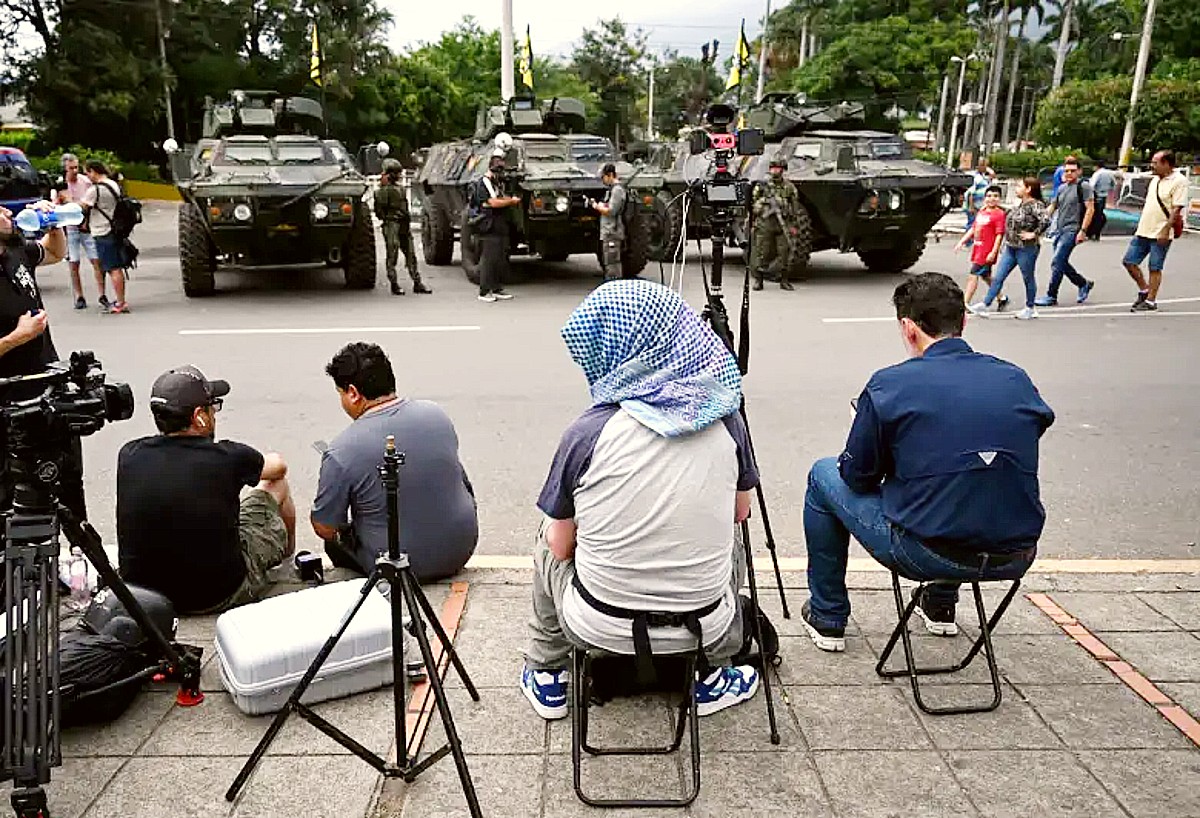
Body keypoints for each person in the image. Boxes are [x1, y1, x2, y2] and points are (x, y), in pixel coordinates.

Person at [521, 279, 761, 721]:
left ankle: (547, 670)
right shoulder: (726, 419)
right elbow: (740, 511)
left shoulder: (587, 434)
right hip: (703, 625)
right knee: (733, 537)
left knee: (547, 534)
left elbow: (561, 548)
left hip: (597, 625)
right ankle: (714, 671)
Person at [801, 273, 1054, 652]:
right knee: (966, 478)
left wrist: (873, 433)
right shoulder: (1015, 379)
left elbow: (856, 476)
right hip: (1016, 553)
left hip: (926, 553)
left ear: (908, 327)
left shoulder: (891, 385)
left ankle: (828, 615)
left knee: (823, 475)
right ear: (964, 320)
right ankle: (939, 605)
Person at [117, 366, 296, 614]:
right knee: (277, 485)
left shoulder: (129, 454)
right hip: (217, 595)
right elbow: (278, 467)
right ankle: (288, 560)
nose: (215, 414)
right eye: (213, 407)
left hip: (145, 597)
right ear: (199, 416)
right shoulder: (227, 457)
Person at [311, 342, 478, 580]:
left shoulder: (341, 450)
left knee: (334, 541)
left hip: (398, 566)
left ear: (353, 393)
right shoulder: (436, 414)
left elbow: (325, 527)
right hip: (459, 550)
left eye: (340, 394)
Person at [0, 200, 87, 520]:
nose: (9, 212)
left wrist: (54, 226)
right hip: (10, 407)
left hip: (50, 394)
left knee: (68, 482)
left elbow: (54, 252)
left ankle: (76, 542)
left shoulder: (14, 250)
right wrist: (16, 337)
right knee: (13, 497)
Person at [970, 177, 1052, 321]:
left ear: (1028, 189)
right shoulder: (1020, 203)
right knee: (999, 276)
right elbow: (1011, 214)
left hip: (1026, 248)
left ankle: (1030, 308)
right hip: (1011, 246)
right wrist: (991, 207)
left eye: (1020, 186)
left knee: (1028, 277)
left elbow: (1046, 220)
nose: (1016, 189)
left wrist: (1034, 234)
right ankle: (985, 304)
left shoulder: (1035, 205)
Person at [1124, 150, 1188, 313]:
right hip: (1144, 229)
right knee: (1129, 261)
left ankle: (1151, 301)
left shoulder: (1179, 181)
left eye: (1155, 162)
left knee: (1155, 266)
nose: (1152, 166)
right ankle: (1145, 290)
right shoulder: (1155, 180)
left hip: (1161, 232)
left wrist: (1166, 230)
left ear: (1166, 164)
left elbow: (1176, 208)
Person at [1035, 156, 1096, 307]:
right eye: (1066, 171)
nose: (1069, 173)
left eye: (1072, 171)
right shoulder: (1062, 188)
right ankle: (1083, 283)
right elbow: (1053, 206)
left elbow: (1090, 209)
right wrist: (1041, 220)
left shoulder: (1084, 186)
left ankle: (1051, 295)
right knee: (1060, 262)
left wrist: (1083, 231)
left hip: (1072, 229)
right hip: (1059, 230)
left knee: (1057, 262)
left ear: (1079, 171)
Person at [374, 159, 431, 297]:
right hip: (391, 224)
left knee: (411, 254)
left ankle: (417, 282)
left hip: (403, 224)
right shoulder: (381, 191)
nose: (398, 175)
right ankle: (394, 284)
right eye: (396, 173)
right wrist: (389, 218)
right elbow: (379, 211)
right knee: (392, 255)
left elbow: (404, 207)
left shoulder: (401, 189)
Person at [80, 160, 130, 314]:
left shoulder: (95, 190)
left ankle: (120, 302)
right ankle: (120, 300)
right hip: (114, 229)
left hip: (102, 230)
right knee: (116, 266)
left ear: (93, 171)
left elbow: (82, 207)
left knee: (113, 268)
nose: (87, 177)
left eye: (87, 173)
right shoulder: (113, 184)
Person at [468, 154, 519, 303]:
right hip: (488, 224)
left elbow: (499, 198)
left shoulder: (496, 183)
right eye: (498, 170)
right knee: (488, 259)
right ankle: (484, 291)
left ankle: (496, 288)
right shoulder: (483, 183)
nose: (500, 173)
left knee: (499, 258)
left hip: (499, 223)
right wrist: (511, 201)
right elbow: (493, 202)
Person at [55, 153, 102, 309]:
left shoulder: (86, 182)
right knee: (74, 263)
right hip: (70, 228)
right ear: (65, 169)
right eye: (71, 168)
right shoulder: (61, 185)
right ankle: (79, 295)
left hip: (86, 227)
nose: (75, 171)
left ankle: (102, 294)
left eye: (76, 167)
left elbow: (91, 203)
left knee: (96, 260)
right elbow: (55, 207)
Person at [750, 157, 802, 291]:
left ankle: (784, 280)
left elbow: (795, 207)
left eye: (778, 168)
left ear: (782, 170)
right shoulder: (762, 185)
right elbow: (753, 204)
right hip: (765, 223)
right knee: (762, 252)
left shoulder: (789, 187)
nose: (775, 170)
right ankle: (759, 280)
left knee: (785, 252)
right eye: (773, 168)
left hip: (783, 223)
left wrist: (794, 225)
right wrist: (764, 203)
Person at [954, 184, 1008, 308]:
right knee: (986, 276)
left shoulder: (999, 214)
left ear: (1000, 198)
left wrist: (994, 251)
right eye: (989, 196)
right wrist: (962, 241)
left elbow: (999, 234)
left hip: (986, 252)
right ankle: (1001, 297)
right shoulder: (982, 212)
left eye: (995, 196)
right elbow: (974, 228)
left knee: (973, 274)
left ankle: (965, 302)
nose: (992, 199)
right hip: (978, 249)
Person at [589, 163, 627, 281]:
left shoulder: (617, 190)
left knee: (612, 264)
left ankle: (614, 285)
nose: (603, 180)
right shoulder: (612, 190)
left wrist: (597, 207)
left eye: (603, 177)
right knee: (609, 262)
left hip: (612, 232)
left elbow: (611, 211)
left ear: (610, 175)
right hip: (609, 232)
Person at [963, 157, 994, 237]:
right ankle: (969, 240)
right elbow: (970, 192)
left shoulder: (982, 176)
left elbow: (992, 177)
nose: (986, 168)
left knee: (978, 223)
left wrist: (990, 171)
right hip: (974, 204)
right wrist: (971, 206)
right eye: (984, 166)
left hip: (980, 204)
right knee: (972, 223)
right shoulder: (975, 177)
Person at [1086, 160, 1116, 241]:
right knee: (1100, 215)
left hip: (1096, 195)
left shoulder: (1097, 174)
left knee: (1094, 215)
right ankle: (1097, 234)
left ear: (1096, 166)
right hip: (1104, 196)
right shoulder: (1109, 173)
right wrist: (1108, 190)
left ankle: (1092, 233)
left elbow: (1092, 185)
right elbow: (1114, 184)